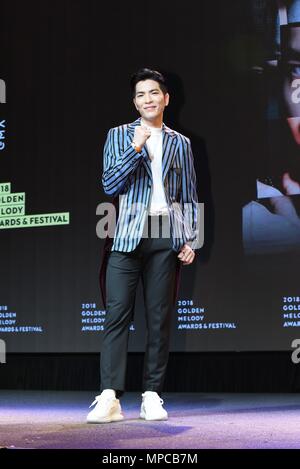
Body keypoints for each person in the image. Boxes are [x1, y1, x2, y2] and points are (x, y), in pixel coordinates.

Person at [87, 68, 199, 423]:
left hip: (166, 234)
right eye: (140, 95)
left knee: (158, 318)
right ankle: (109, 397)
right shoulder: (119, 135)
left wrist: (191, 238)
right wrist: (136, 147)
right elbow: (109, 183)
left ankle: (152, 394)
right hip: (126, 234)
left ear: (166, 98)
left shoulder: (181, 143)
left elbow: (188, 195)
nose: (147, 99)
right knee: (116, 314)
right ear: (134, 102)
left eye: (153, 93)